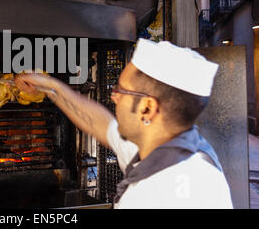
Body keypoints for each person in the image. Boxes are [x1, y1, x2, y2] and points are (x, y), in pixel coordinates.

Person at [14, 38, 233, 209]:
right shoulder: (168, 148)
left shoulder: (163, 194)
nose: (113, 97)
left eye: (121, 90)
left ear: (147, 108)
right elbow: (100, 123)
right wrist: (52, 88)